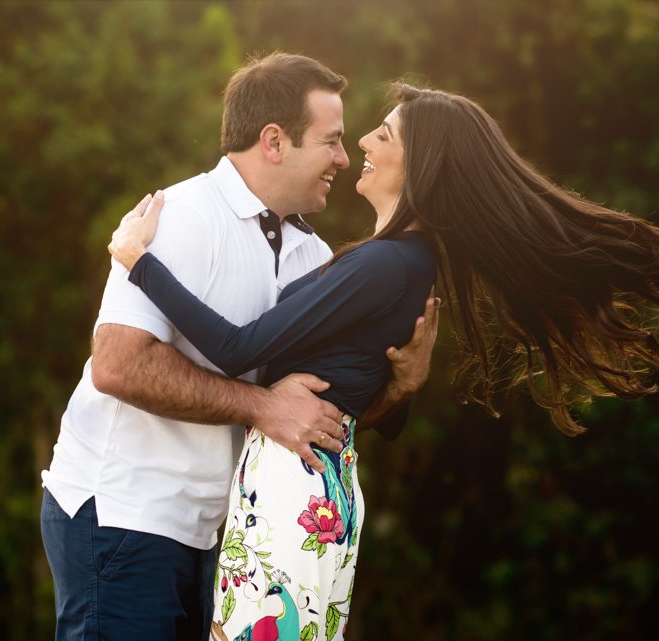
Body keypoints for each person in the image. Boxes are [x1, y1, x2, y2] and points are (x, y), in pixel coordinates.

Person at [107, 84, 659, 639]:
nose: (361, 141)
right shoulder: (398, 262)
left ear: (421, 165)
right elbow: (362, 397)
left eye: (383, 133)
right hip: (307, 484)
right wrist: (405, 389)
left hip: (292, 489)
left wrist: (141, 264)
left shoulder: (385, 264)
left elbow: (237, 349)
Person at [39, 54, 438, 641]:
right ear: (274, 141)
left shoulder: (318, 258)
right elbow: (117, 366)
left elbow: (316, 420)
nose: (343, 158)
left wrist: (402, 387)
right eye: (330, 141)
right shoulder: (180, 218)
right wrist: (259, 406)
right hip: (126, 515)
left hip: (228, 533)